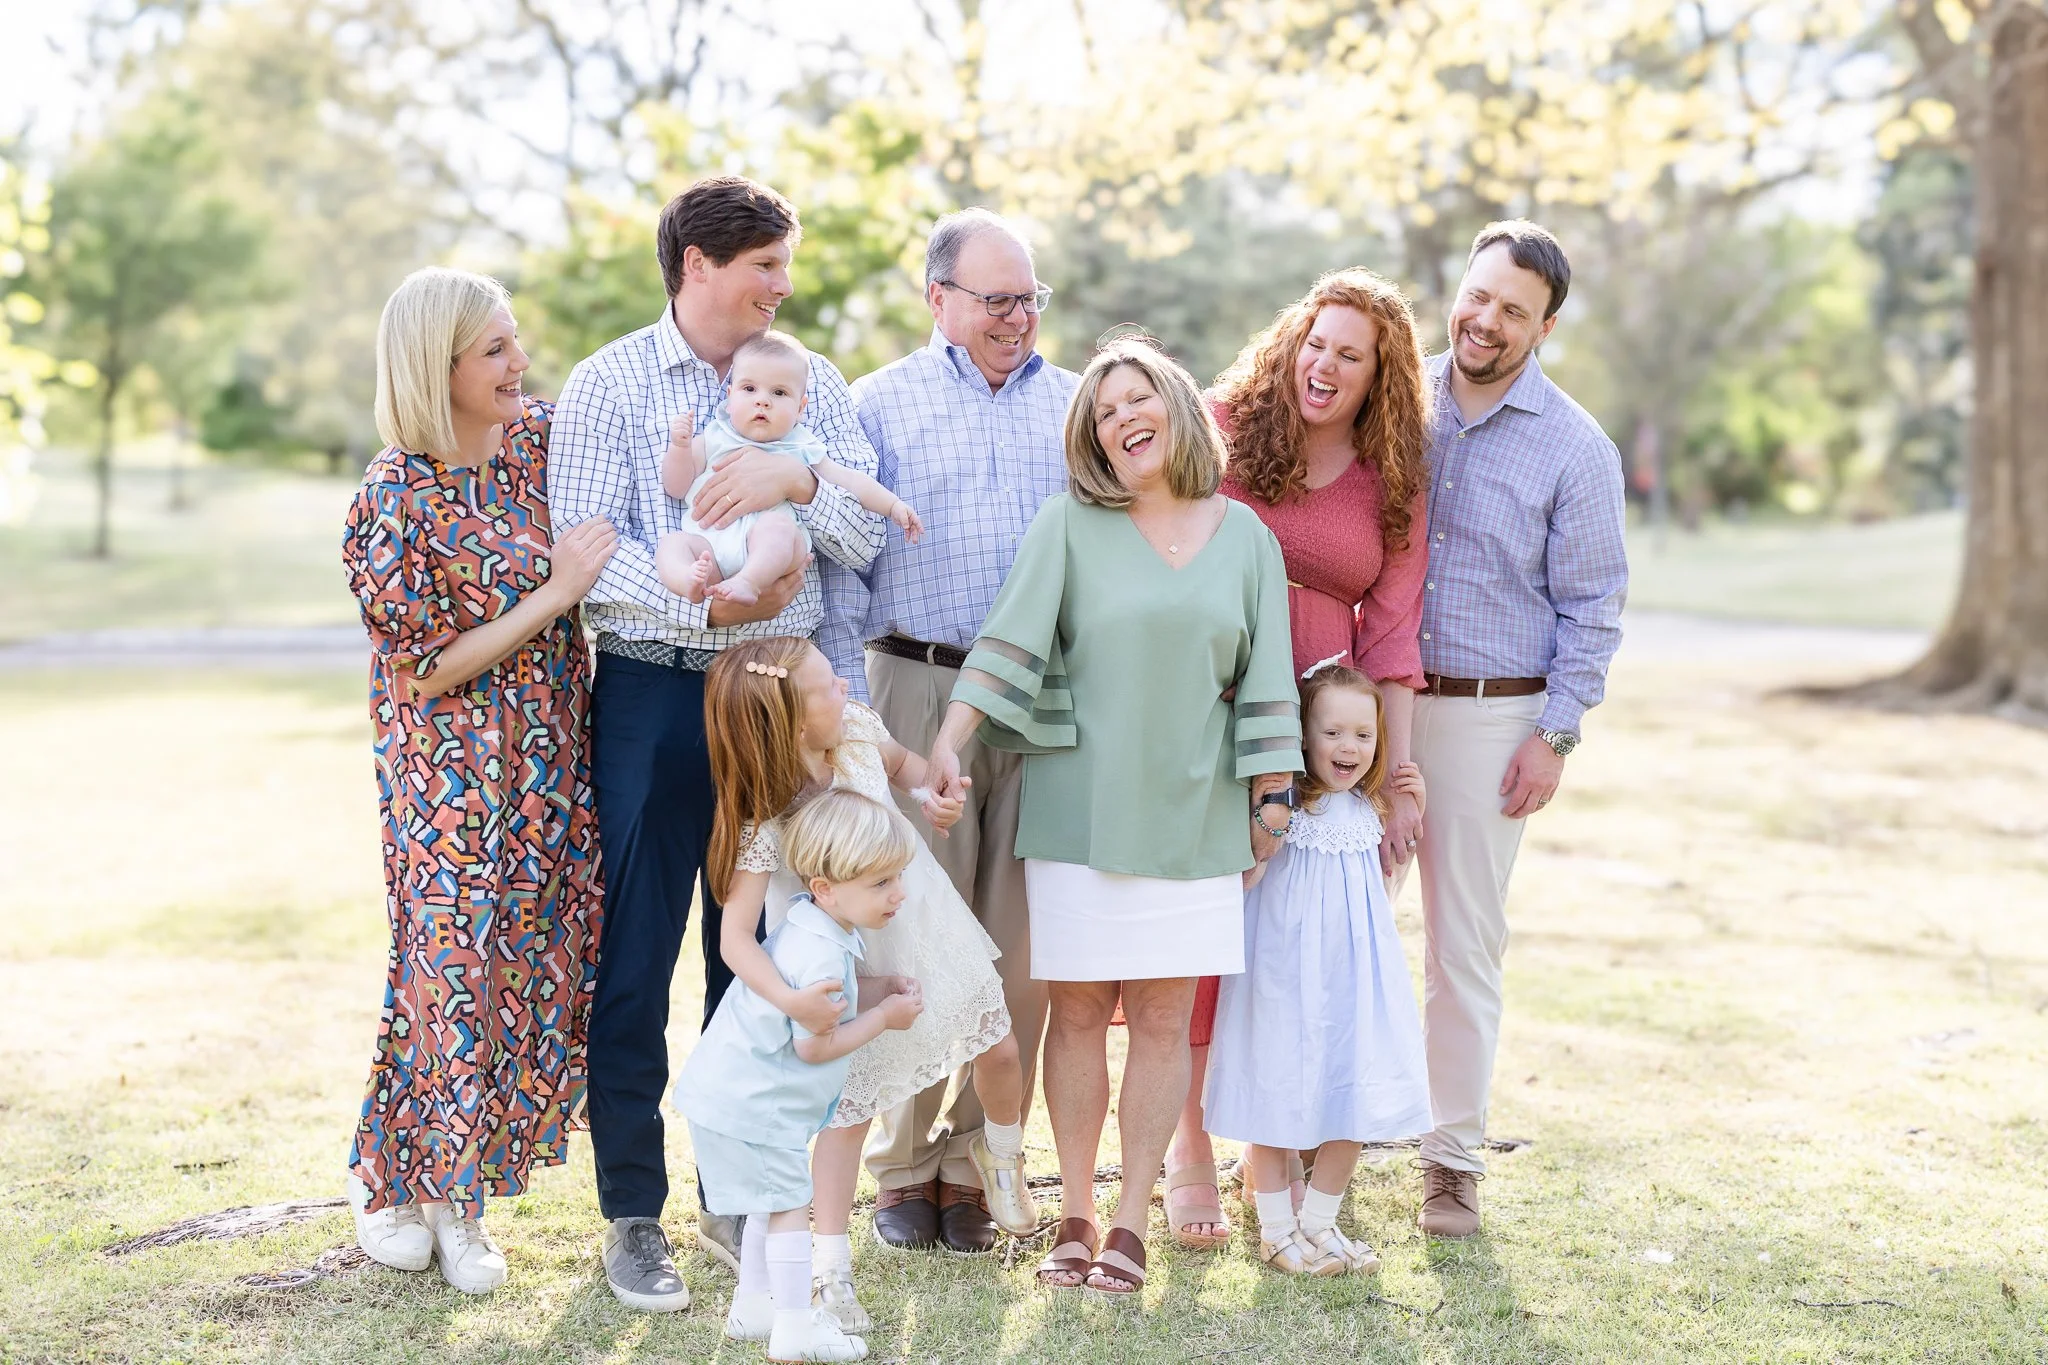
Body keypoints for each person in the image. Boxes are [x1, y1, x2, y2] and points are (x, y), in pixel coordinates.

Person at [550, 175, 886, 1310]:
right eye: (765, 268)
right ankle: (633, 1212)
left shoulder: (814, 380)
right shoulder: (606, 384)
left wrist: (794, 472)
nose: (783, 288)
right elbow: (588, 546)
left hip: (776, 698)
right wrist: (713, 606)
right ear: (698, 265)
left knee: (768, 944)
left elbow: (853, 526)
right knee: (637, 952)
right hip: (650, 687)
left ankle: (739, 1192)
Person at [924, 336, 1303, 1299]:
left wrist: (1272, 802)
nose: (1121, 418)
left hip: (1197, 810)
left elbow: (1266, 683)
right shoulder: (1070, 524)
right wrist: (949, 741)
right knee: (1082, 1012)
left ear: (1175, 404)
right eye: (1101, 412)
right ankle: (1077, 1214)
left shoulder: (1247, 536)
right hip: (1081, 808)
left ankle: (1132, 1219)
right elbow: (1009, 641)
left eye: (1136, 398)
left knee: (1167, 1016)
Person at [342, 267, 615, 1295]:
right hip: (448, 777)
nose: (520, 363)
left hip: (549, 762)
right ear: (437, 366)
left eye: (514, 343)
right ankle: (446, 1206)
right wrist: (557, 594)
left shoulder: (542, 445)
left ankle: (401, 1177)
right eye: (495, 350)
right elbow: (428, 668)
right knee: (450, 969)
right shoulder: (393, 495)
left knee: (527, 966)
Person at [822, 207, 1077, 1257]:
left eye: (1029, 298)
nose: (1018, 317)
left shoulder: (1073, 409)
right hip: (912, 687)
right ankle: (905, 1166)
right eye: (996, 299)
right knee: (911, 930)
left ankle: (973, 1168)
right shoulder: (871, 405)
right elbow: (839, 577)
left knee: (1014, 947)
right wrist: (856, 719)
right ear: (937, 298)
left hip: (1039, 700)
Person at [1164, 267, 1434, 1245]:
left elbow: (1394, 640)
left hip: (1317, 739)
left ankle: (1268, 1150)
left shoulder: (1390, 479)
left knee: (1285, 950)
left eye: (1348, 356)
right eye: (1314, 343)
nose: (1324, 364)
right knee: (1198, 931)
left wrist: (1393, 783)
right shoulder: (1221, 424)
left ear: (1377, 380)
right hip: (1207, 705)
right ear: (1291, 342)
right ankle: (1186, 1144)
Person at [703, 636, 1034, 1332]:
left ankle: (1002, 1157)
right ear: (794, 721)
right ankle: (829, 1272)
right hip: (845, 959)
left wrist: (929, 794)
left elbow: (907, 765)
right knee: (845, 1111)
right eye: (828, 685)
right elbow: (735, 935)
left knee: (999, 1048)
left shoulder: (854, 731)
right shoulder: (766, 804)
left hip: (924, 916)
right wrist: (792, 998)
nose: (846, 688)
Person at [1409, 220, 1627, 1237]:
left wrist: (1555, 733)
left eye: (1512, 310)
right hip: (1367, 705)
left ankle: (1449, 1157)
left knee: (1462, 947)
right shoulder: (1388, 399)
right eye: (1477, 294)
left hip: (1491, 720)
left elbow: (1591, 605)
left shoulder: (1575, 447)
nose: (1483, 320)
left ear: (1541, 329)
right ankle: (1304, 1135)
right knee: (1327, 920)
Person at [673, 789, 926, 1363]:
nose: (899, 894)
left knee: (769, 1201)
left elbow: (833, 1002)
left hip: (737, 1098)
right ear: (826, 888)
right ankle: (792, 1329)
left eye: (896, 878)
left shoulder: (813, 924)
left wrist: (879, 989)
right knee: (790, 1204)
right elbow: (817, 1047)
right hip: (754, 1105)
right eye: (881, 883)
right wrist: (885, 1018)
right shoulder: (819, 951)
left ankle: (752, 1306)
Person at [1204, 660, 1431, 1277]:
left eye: (1363, 734)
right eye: (1332, 732)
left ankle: (1321, 1223)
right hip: (1281, 972)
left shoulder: (1370, 810)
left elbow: (1392, 884)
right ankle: (1277, 1229)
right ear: (1304, 734)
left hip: (1353, 979)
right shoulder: (1284, 814)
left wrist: (1415, 798)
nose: (1349, 747)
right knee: (1275, 1087)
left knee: (1353, 1089)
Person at [658, 330, 922, 607]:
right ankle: (688, 580)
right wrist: (680, 447)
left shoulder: (801, 446)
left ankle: (748, 581)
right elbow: (676, 486)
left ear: (800, 407)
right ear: (730, 395)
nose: (762, 401)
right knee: (672, 544)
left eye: (779, 392)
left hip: (770, 555)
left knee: (779, 528)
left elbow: (851, 481)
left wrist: (893, 507)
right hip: (709, 548)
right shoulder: (714, 436)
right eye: (749, 389)